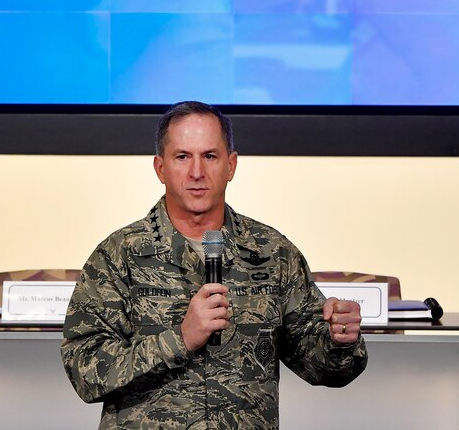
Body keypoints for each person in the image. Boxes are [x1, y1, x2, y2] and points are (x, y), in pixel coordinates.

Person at [61, 100, 367, 429]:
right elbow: (85, 370)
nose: (197, 172)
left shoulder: (273, 253)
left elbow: (322, 367)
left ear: (231, 165)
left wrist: (340, 340)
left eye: (210, 156)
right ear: (160, 167)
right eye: (182, 157)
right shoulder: (119, 256)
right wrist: (180, 338)